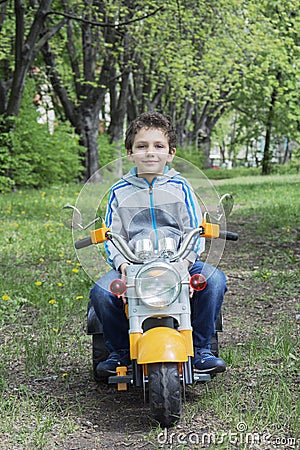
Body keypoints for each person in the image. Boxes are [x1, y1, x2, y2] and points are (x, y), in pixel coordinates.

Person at [90, 111, 227, 378]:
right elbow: (111, 235)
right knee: (102, 292)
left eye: (158, 146)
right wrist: (122, 265)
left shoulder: (181, 187)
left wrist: (185, 264)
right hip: (133, 263)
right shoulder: (119, 191)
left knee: (214, 280)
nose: (150, 153)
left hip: (178, 260)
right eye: (142, 146)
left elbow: (194, 230)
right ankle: (119, 352)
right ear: (130, 153)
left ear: (170, 153)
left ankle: (201, 349)